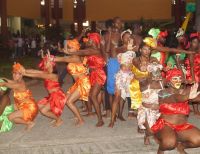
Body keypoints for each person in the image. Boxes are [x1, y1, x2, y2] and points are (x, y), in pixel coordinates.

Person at [150, 68, 200, 154]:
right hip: (165, 126)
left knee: (198, 139)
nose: (178, 81)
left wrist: (192, 95)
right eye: (175, 78)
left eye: (180, 78)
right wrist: (187, 97)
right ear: (169, 80)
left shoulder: (185, 91)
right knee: (169, 144)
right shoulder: (162, 93)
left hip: (181, 126)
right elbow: (174, 98)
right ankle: (161, 149)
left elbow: (196, 97)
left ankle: (181, 146)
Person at [64, 33, 106, 127]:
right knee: (93, 95)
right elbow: (86, 57)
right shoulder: (91, 49)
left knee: (93, 96)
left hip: (99, 74)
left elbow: (81, 52)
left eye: (90, 39)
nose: (88, 40)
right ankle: (96, 113)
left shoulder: (94, 50)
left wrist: (70, 52)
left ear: (94, 41)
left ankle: (100, 119)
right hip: (92, 74)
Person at [22, 52, 66, 127]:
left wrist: (24, 73)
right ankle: (54, 116)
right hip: (52, 95)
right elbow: (35, 71)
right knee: (39, 105)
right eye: (45, 61)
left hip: (57, 96)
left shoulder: (52, 75)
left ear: (52, 64)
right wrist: (23, 71)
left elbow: (37, 74)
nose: (45, 63)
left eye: (47, 61)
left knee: (43, 110)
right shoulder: (47, 72)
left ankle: (59, 119)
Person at [55, 39, 91, 126]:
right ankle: (76, 115)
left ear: (75, 49)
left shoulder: (75, 58)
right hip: (78, 83)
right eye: (68, 48)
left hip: (83, 83)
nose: (68, 49)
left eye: (70, 48)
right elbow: (65, 56)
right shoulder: (73, 56)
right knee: (66, 100)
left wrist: (52, 58)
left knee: (69, 102)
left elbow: (63, 59)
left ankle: (81, 120)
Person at [0, 63, 38, 130]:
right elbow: (8, 81)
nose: (14, 75)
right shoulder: (17, 81)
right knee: (10, 110)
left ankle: (29, 123)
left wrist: (3, 82)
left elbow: (5, 84)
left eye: (16, 73)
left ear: (21, 75)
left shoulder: (19, 84)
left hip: (29, 107)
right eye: (13, 73)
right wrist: (2, 78)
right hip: (23, 105)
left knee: (10, 117)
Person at [137, 62, 164, 145]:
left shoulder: (162, 83)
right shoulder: (144, 83)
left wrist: (160, 106)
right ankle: (147, 135)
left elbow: (166, 95)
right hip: (146, 109)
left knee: (162, 126)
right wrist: (151, 106)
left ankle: (155, 135)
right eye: (154, 72)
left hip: (159, 109)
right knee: (150, 130)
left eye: (158, 72)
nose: (157, 74)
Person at [185, 32, 200, 116]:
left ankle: (194, 110)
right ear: (190, 43)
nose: (196, 44)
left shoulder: (196, 50)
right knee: (192, 92)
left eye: (197, 42)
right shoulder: (190, 51)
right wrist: (193, 78)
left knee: (195, 92)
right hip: (192, 74)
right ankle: (195, 110)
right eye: (194, 42)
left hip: (197, 73)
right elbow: (191, 66)